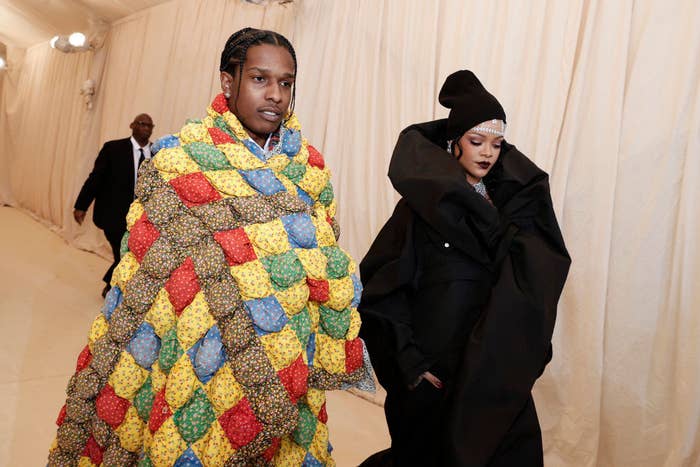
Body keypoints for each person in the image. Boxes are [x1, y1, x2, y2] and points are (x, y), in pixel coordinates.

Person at [49, 28, 372, 466]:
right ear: (228, 81)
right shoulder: (179, 161)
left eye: (286, 83)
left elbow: (324, 256)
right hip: (195, 360)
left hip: (288, 364)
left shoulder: (308, 168)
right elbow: (147, 281)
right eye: (260, 79)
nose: (275, 94)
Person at [358, 70, 571, 466]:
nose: (487, 153)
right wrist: (411, 367)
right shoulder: (418, 211)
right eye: (476, 141)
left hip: (493, 373)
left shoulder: (512, 212)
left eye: (496, 143)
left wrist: (531, 352)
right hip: (436, 378)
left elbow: (528, 287)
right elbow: (383, 289)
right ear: (453, 143)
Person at [74, 114, 154, 297]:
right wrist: (82, 205)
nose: (146, 129)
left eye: (150, 126)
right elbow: (96, 178)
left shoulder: (157, 153)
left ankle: (114, 285)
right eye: (142, 124)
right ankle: (111, 285)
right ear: (132, 125)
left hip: (142, 218)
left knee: (132, 253)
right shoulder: (113, 148)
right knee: (123, 251)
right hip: (113, 214)